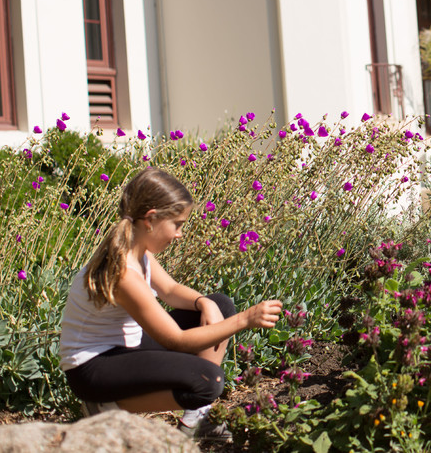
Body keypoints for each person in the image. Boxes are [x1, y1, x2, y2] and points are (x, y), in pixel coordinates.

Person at [59, 167, 283, 441]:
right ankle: (105, 407)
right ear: (151, 219)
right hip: (93, 368)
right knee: (206, 382)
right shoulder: (124, 271)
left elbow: (171, 290)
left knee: (220, 305)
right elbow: (177, 340)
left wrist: (203, 303)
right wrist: (244, 320)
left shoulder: (138, 248)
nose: (179, 234)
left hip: (124, 346)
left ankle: (197, 420)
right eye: (177, 224)